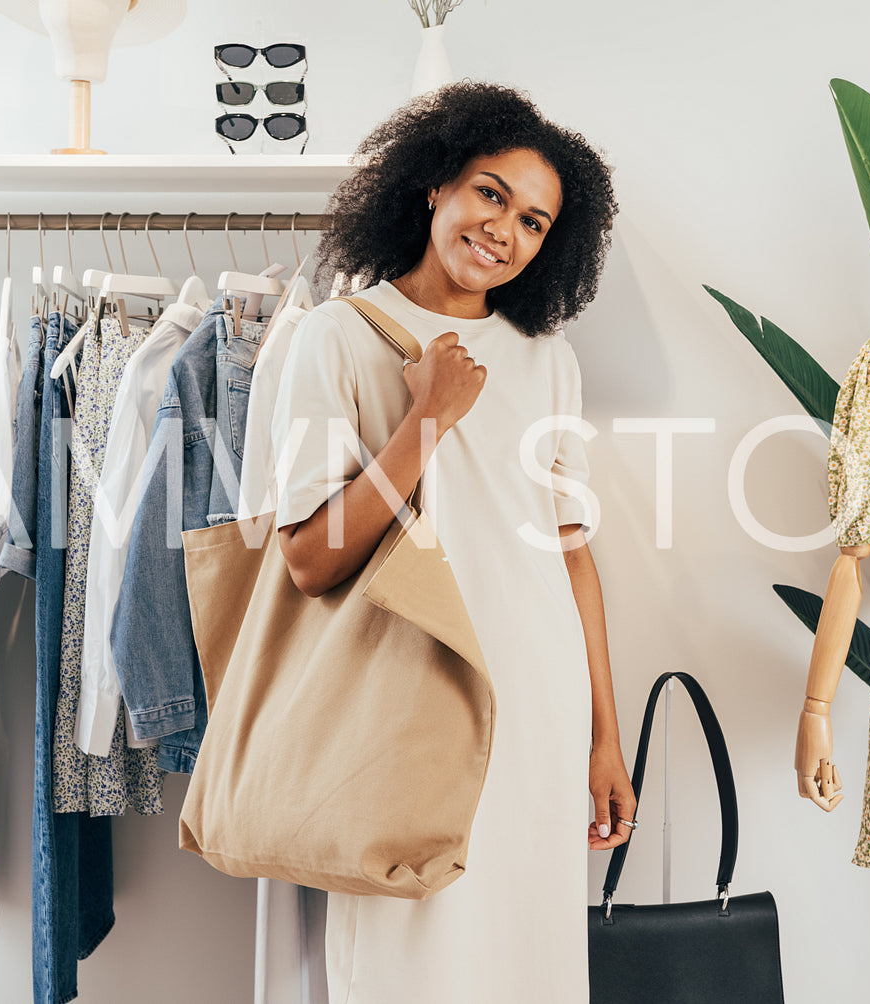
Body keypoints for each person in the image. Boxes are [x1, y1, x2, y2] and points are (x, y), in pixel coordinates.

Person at [270, 81, 631, 1002]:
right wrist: (426, 419)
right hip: (403, 705)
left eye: (535, 222)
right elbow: (308, 560)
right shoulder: (335, 339)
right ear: (434, 185)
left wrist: (603, 736)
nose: (504, 229)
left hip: (536, 710)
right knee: (405, 965)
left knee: (528, 963)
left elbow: (569, 557)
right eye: (490, 193)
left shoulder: (548, 361)